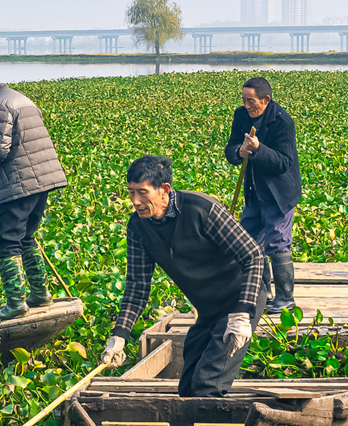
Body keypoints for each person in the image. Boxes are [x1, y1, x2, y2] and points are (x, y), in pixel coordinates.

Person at [101, 156, 268, 397]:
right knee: (188, 387)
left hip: (240, 296)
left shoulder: (201, 208)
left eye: (142, 193)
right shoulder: (138, 227)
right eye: (131, 193)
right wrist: (120, 334)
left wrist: (243, 313)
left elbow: (253, 255)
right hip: (209, 307)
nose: (135, 201)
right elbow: (137, 286)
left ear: (164, 190)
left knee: (208, 384)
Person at [0, 65, 68, 320]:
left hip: (21, 181)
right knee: (27, 237)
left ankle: (16, 303)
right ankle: (40, 294)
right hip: (44, 178)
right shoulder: (20, 97)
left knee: (7, 241)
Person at [224, 76, 301, 313]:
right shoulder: (241, 116)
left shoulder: (281, 121)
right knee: (247, 242)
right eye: (244, 100)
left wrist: (258, 150)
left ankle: (286, 297)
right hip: (254, 191)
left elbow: (283, 163)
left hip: (279, 193)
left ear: (266, 99)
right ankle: (263, 292)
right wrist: (240, 150)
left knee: (277, 243)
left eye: (251, 101)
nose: (247, 106)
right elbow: (230, 150)